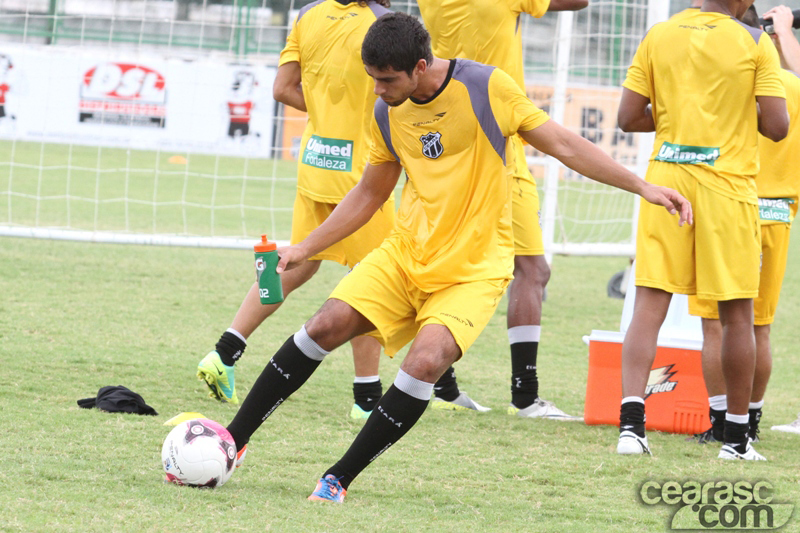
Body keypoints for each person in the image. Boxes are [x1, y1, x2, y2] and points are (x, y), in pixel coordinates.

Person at [223, 12, 690, 502]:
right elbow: (369, 193)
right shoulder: (386, 109)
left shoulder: (487, 88)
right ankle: (234, 440)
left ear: (420, 66)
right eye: (374, 80)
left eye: (386, 81)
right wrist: (303, 249)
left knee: (425, 362)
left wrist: (642, 186)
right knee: (323, 325)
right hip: (406, 254)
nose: (378, 91)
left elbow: (564, 146)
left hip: (474, 270)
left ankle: (338, 477)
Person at [196, 0, 394, 407]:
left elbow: (283, 88)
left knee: (294, 263)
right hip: (361, 175)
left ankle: (225, 352)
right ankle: (367, 398)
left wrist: (326, 107)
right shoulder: (386, 24)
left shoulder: (307, 14)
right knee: (375, 277)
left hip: (316, 160)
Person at [615, 0, 788, 460]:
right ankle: (735, 440)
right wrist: (729, 110)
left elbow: (629, 118)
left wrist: (677, 120)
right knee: (737, 316)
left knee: (649, 303)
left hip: (666, 179)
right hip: (727, 188)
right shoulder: (753, 41)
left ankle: (631, 429)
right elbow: (776, 125)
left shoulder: (658, 34)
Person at [404, 0, 588, 419]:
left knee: (444, 263)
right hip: (497, 136)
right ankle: (524, 396)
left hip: (442, 141)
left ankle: (443, 384)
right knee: (532, 269)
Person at [687, 4, 800, 445]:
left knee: (716, 324)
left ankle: (721, 423)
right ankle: (749, 421)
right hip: (776, 215)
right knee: (758, 327)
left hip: (727, 208)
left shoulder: (719, 84)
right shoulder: (793, 86)